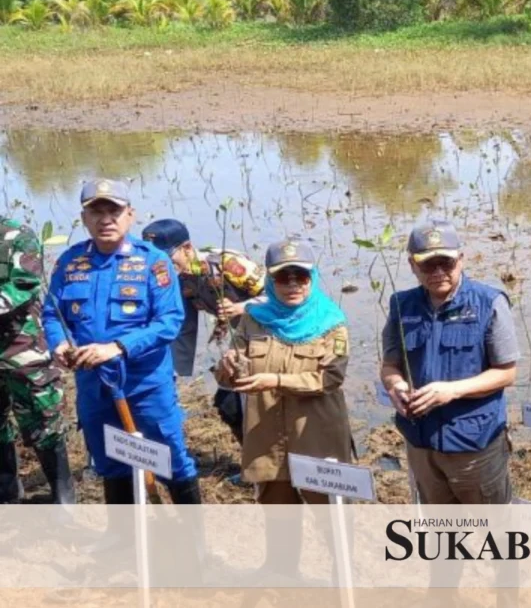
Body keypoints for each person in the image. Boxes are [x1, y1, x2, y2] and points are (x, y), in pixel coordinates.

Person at [42, 179, 200, 504]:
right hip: (93, 384)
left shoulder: (153, 262)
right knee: (109, 460)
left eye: (113, 210)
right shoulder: (69, 263)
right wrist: (58, 343)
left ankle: (191, 546)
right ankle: (122, 539)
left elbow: (169, 322)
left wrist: (118, 347)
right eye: (96, 212)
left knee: (171, 458)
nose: (105, 219)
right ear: (84, 219)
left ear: (130, 215)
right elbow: (52, 313)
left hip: (145, 385)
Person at [379, 220, 520, 505]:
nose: (438, 272)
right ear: (412, 265)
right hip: (421, 443)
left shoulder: (488, 302)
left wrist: (452, 391)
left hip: (474, 445)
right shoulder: (400, 305)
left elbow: (507, 373)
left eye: (446, 262)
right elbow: (390, 364)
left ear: (460, 259)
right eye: (428, 265)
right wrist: (396, 386)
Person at [216, 238, 352, 505]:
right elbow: (230, 378)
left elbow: (330, 378)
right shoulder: (253, 318)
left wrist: (274, 381)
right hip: (267, 443)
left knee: (333, 523)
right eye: (282, 277)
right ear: (270, 280)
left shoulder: (332, 323)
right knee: (280, 527)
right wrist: (227, 365)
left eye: (300, 276)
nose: (292, 285)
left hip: (317, 440)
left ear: (312, 278)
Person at [143, 218, 265, 444]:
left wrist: (241, 307)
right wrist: (170, 374)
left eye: (167, 258)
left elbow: (282, 299)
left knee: (263, 405)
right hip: (242, 341)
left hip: (272, 337)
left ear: (187, 248)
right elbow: (181, 329)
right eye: (154, 260)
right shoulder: (177, 280)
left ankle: (276, 470)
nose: (161, 266)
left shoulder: (228, 264)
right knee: (229, 404)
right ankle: (252, 464)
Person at [0, 218, 74, 504]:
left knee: (42, 417)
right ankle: (8, 493)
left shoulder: (18, 235)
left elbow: (23, 284)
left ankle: (63, 498)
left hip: (21, 347)